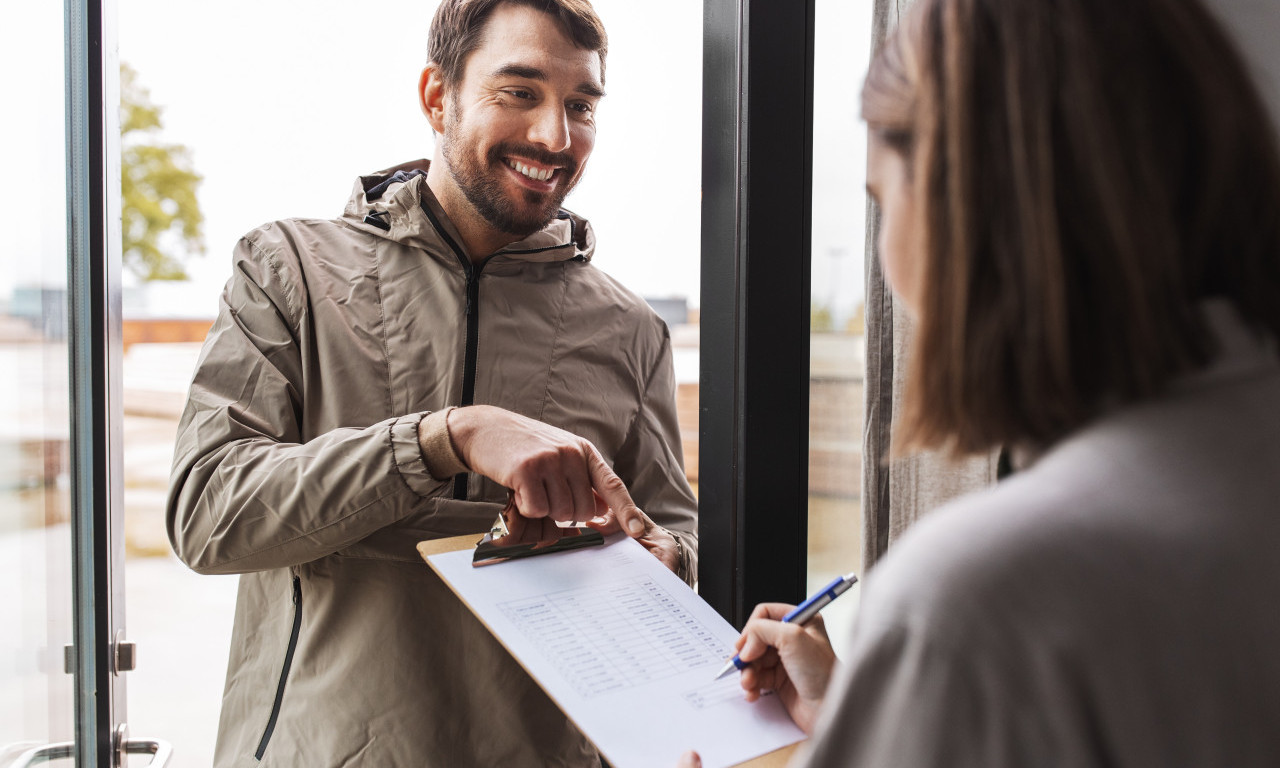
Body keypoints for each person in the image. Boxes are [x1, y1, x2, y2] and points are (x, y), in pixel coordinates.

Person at [680, 0, 1280, 765]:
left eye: (881, 199)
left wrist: (926, 683)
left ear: (960, 209)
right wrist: (863, 717)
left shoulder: (979, 602)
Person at [166, 1, 698, 766]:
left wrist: (660, 562)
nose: (555, 137)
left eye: (581, 105)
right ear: (436, 96)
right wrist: (447, 437)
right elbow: (206, 513)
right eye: (520, 92)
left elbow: (676, 536)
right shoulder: (287, 269)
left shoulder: (631, 328)